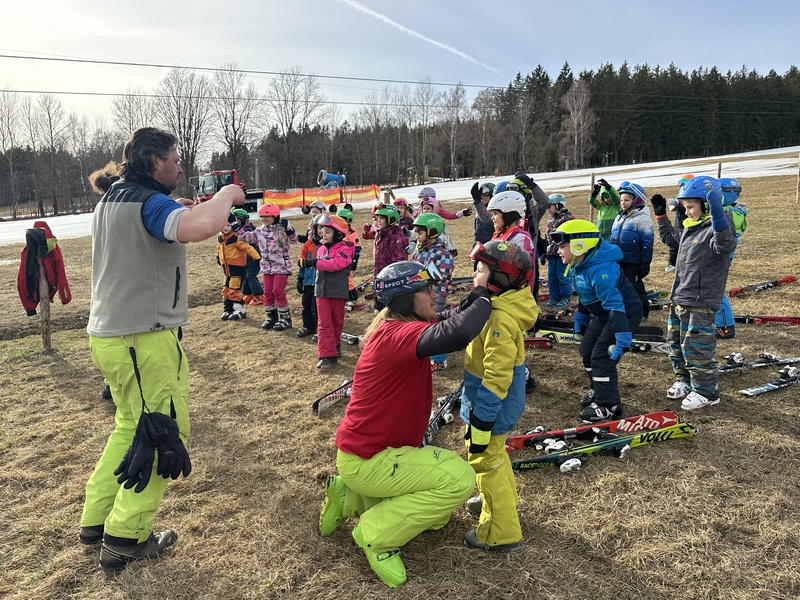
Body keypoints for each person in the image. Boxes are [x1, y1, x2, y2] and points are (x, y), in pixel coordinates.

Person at [80, 127, 245, 571]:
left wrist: (183, 209)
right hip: (143, 339)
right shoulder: (148, 202)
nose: (180, 166)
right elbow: (201, 227)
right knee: (162, 434)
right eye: (175, 159)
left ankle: (97, 520)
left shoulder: (114, 198)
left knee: (130, 427)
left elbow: (162, 226)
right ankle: (125, 537)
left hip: (111, 337)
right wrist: (226, 195)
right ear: (155, 161)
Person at [318, 260, 492, 588]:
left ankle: (347, 499)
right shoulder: (396, 335)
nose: (434, 295)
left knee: (436, 514)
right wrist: (483, 296)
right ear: (403, 299)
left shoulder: (396, 327)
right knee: (458, 480)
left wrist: (468, 304)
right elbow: (457, 333)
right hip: (370, 461)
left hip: (366, 455)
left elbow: (446, 320)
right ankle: (375, 535)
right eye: (425, 290)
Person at [460, 240, 538, 553]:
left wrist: (482, 419)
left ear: (499, 279)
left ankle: (500, 532)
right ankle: (494, 501)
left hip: (490, 405)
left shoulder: (499, 319)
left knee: (485, 461)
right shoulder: (494, 306)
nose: (474, 275)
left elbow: (497, 375)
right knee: (494, 457)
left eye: (480, 270)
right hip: (485, 399)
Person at [650, 176, 736, 410]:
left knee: (697, 348)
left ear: (708, 206)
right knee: (676, 345)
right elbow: (670, 238)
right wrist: (661, 215)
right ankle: (684, 380)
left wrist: (718, 215)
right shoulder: (691, 228)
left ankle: (707, 392)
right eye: (684, 207)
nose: (686, 212)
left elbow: (724, 245)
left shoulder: (718, 228)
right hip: (680, 297)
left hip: (700, 301)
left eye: (690, 207)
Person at [551, 219, 643, 422]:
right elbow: (586, 294)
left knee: (602, 357)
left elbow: (615, 305)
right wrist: (581, 317)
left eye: (563, 246)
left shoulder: (602, 271)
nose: (558, 251)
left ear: (580, 245)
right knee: (587, 350)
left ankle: (609, 405)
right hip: (604, 314)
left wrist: (622, 336)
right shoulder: (580, 263)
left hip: (622, 314)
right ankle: (599, 389)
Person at [299, 214, 354, 368]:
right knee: (323, 323)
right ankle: (327, 355)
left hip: (337, 292)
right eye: (322, 231)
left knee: (337, 321)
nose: (323, 234)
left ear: (338, 234)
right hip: (321, 292)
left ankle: (335, 346)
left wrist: (314, 263)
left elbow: (334, 264)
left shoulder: (345, 250)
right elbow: (322, 265)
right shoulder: (322, 249)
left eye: (328, 232)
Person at [232, 203, 298, 331]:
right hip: (267, 268)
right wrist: (234, 225)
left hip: (281, 267)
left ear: (275, 216)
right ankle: (271, 317)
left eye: (267, 216)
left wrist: (289, 229)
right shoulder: (259, 232)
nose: (264, 219)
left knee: (278, 291)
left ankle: (285, 318)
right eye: (262, 216)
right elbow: (244, 237)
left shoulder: (281, 230)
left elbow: (293, 240)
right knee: (267, 293)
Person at [411, 212, 455, 370]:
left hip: (435, 295)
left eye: (420, 233)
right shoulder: (420, 249)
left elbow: (441, 275)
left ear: (432, 232)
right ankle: (424, 354)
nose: (417, 237)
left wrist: (418, 277)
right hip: (420, 294)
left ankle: (439, 359)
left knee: (434, 326)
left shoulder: (442, 253)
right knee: (420, 324)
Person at [609, 181, 653, 319]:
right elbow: (613, 237)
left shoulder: (642, 218)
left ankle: (642, 311)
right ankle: (625, 310)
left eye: (627, 200)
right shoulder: (619, 217)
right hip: (618, 258)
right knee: (619, 285)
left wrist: (645, 262)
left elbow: (647, 241)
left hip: (633, 260)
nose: (623, 203)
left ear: (637, 200)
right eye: (622, 200)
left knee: (634, 286)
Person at [714, 177, 748, 339]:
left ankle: (725, 327)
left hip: (720, 259)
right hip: (719, 257)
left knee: (716, 292)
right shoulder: (732, 212)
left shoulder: (729, 215)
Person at [485, 190, 537, 295]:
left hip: (513, 295)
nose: (492, 218)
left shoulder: (521, 238)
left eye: (495, 213)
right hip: (496, 290)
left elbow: (521, 270)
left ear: (509, 215)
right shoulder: (499, 235)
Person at [216, 210, 260, 321]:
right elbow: (219, 248)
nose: (226, 228)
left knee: (234, 290)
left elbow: (247, 247)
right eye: (223, 225)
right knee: (226, 289)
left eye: (228, 225)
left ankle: (240, 310)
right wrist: (218, 257)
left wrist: (257, 257)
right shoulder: (220, 238)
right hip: (226, 269)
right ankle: (228, 309)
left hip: (237, 268)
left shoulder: (236, 238)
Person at [542, 193, 574, 308]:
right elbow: (547, 237)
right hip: (552, 254)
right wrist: (544, 252)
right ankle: (554, 297)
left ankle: (565, 297)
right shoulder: (550, 222)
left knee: (562, 275)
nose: (548, 210)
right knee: (552, 276)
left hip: (563, 254)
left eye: (549, 207)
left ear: (558, 205)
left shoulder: (567, 219)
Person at [295, 214, 322, 338]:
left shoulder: (327, 245)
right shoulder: (308, 244)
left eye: (324, 228)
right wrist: (300, 278)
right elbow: (302, 262)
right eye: (319, 228)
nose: (321, 231)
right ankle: (308, 326)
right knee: (306, 304)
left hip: (320, 282)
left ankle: (320, 329)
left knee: (317, 307)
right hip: (308, 281)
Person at [234, 209, 264, 307]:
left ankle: (259, 295)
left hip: (254, 258)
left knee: (251, 276)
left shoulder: (247, 230)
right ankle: (249, 294)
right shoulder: (242, 229)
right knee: (245, 276)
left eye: (236, 220)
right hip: (246, 259)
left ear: (242, 220)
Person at [664, 175, 693, 272]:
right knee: (675, 242)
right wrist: (675, 204)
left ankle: (686, 263)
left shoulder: (695, 195)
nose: (682, 187)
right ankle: (672, 263)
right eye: (681, 185)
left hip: (691, 222)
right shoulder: (680, 194)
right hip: (679, 222)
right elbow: (672, 208)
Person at [371, 205, 408, 280]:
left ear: (391, 219)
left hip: (391, 278)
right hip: (380, 275)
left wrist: (392, 279)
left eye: (382, 218)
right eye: (378, 218)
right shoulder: (380, 234)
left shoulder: (396, 238)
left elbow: (398, 262)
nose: (378, 220)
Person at [335, 208, 362, 304]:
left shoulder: (351, 232)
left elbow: (357, 247)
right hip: (339, 258)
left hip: (348, 259)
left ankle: (352, 298)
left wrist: (354, 260)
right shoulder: (337, 231)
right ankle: (343, 296)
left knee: (347, 278)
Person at [469, 181, 497, 246]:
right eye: (480, 195)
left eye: (485, 195)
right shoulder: (480, 209)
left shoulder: (496, 211)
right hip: (478, 245)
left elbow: (487, 218)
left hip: (491, 246)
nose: (481, 197)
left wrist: (477, 202)